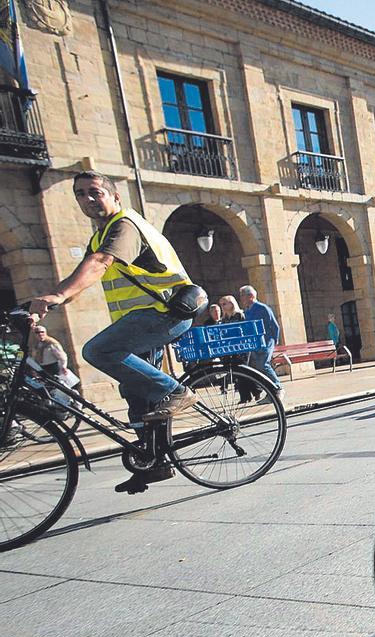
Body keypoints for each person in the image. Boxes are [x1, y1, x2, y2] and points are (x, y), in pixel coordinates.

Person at [29, 171, 201, 492]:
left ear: (115, 196)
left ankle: (177, 391)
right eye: (80, 194)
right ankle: (155, 462)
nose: (88, 199)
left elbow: (100, 263)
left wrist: (57, 294)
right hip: (141, 321)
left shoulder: (123, 226)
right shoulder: (99, 236)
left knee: (97, 351)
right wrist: (47, 304)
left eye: (95, 192)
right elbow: (85, 279)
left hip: (165, 312)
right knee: (136, 394)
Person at [237, 285, 284, 398]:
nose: (241, 299)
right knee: (257, 367)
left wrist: (274, 341)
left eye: (243, 296)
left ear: (251, 296)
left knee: (264, 364)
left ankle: (278, 387)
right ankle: (270, 390)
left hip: (267, 341)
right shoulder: (247, 311)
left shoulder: (262, 308)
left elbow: (274, 326)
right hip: (255, 343)